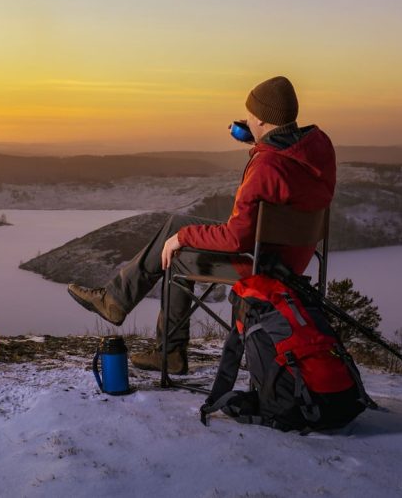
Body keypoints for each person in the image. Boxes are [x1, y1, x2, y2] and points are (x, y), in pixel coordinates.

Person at [67, 76, 336, 374]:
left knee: (176, 253)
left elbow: (236, 239)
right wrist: (261, 142)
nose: (245, 118)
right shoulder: (316, 148)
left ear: (260, 118)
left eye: (249, 113)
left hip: (261, 265)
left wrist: (183, 237)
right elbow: (280, 188)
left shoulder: (266, 165)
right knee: (175, 223)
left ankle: (164, 347)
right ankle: (116, 299)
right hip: (289, 257)